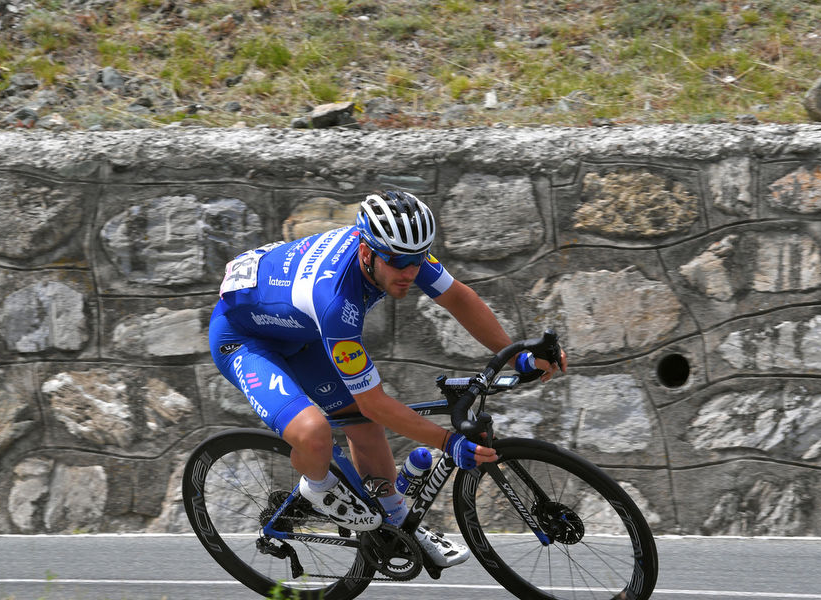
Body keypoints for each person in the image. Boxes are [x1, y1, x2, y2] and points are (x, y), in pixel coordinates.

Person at [208, 190, 567, 568]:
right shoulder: (335, 302)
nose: (410, 273)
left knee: (363, 427)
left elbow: (458, 298)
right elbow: (375, 402)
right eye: (399, 263)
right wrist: (449, 441)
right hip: (244, 340)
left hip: (302, 333)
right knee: (315, 432)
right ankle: (315, 488)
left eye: (418, 260)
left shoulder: (398, 251)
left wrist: (517, 355)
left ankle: (398, 524)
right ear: (367, 253)